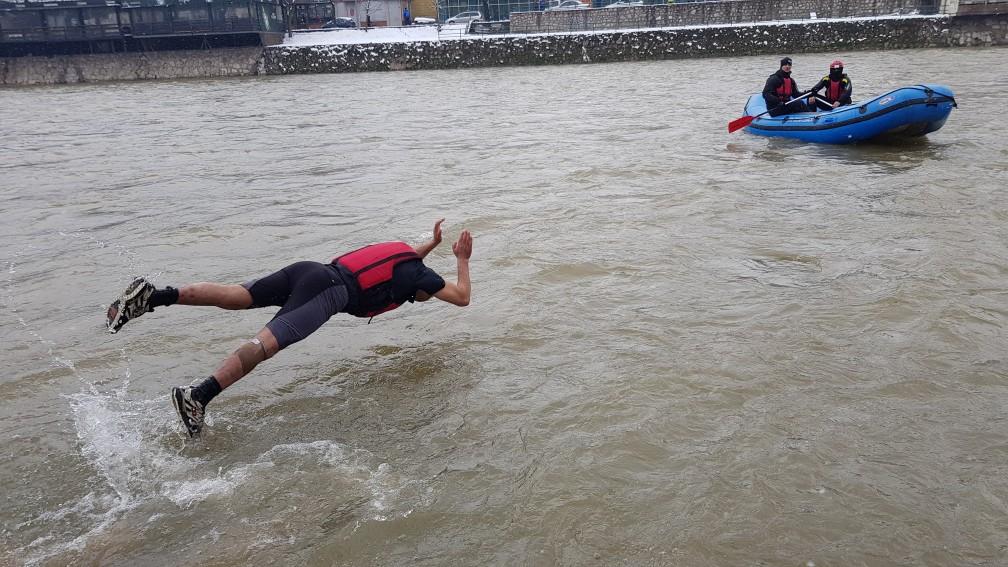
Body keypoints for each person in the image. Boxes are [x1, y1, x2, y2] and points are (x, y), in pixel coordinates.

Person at [105, 220, 473, 437]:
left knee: (237, 295)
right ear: (420, 286)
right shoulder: (420, 277)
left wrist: (433, 242)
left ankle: (154, 296)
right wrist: (461, 259)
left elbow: (408, 264)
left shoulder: (406, 256)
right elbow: (461, 298)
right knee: (265, 345)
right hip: (329, 294)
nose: (420, 298)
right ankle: (198, 397)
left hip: (308, 269)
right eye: (420, 297)